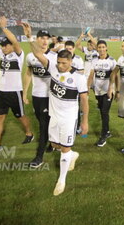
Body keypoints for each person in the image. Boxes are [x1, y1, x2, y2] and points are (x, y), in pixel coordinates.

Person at [29, 38, 89, 196]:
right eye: (59, 62)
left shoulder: (79, 78)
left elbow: (84, 100)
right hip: (53, 116)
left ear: (70, 61)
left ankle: (61, 180)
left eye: (64, 63)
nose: (60, 66)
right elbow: (37, 53)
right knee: (55, 145)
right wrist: (29, 37)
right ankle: (73, 155)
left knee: (64, 149)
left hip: (68, 119)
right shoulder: (52, 68)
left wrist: (84, 121)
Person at [0, 15, 34, 155]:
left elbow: (15, 42)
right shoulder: (2, 54)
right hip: (1, 92)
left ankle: (29, 133)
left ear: (12, 46)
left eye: (6, 45)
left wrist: (3, 27)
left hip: (14, 92)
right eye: (2, 45)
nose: (3, 47)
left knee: (21, 116)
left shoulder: (18, 54)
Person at [22, 26, 55, 168]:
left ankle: (39, 156)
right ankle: (52, 142)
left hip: (50, 97)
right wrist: (24, 92)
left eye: (47, 38)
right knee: (43, 122)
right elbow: (29, 73)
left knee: (43, 125)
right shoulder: (30, 57)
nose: (45, 41)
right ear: (37, 39)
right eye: (42, 38)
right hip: (37, 96)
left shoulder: (54, 57)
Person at [88, 40, 117, 147]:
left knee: (104, 112)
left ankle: (103, 136)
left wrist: (115, 90)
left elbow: (115, 76)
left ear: (106, 48)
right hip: (97, 91)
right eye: (99, 47)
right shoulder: (94, 60)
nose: (101, 49)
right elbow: (91, 75)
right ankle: (107, 131)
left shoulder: (112, 61)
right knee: (102, 112)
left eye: (103, 47)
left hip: (108, 91)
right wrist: (87, 87)